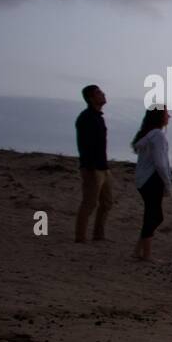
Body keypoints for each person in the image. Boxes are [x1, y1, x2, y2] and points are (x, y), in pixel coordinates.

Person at [131, 104, 172, 261]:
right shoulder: (157, 136)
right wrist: (168, 183)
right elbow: (160, 162)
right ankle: (146, 254)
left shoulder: (149, 134)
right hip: (152, 179)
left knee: (153, 214)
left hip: (144, 179)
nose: (169, 116)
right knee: (154, 215)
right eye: (166, 113)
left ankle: (138, 250)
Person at [75, 84, 112, 243]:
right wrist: (89, 166)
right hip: (92, 167)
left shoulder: (98, 117)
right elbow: (85, 144)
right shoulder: (86, 117)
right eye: (99, 93)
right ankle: (80, 237)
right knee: (89, 203)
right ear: (91, 98)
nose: (103, 94)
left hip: (103, 167)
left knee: (107, 202)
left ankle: (98, 234)